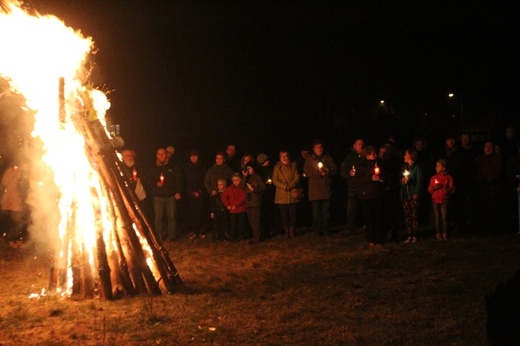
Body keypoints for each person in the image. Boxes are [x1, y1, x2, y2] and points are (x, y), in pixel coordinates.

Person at [146, 147, 183, 241]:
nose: (162, 156)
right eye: (159, 154)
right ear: (156, 156)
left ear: (166, 155)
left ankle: (172, 235)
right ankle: (158, 236)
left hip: (170, 195)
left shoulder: (173, 166)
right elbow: (148, 181)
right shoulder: (153, 167)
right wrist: (156, 184)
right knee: (158, 218)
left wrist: (177, 191)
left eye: (163, 154)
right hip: (158, 196)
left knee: (171, 217)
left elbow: (178, 180)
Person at [304, 139, 337, 236]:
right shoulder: (309, 159)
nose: (320, 149)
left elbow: (334, 169)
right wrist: (319, 173)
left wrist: (326, 171)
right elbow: (307, 171)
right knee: (316, 213)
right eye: (317, 147)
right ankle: (317, 231)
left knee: (326, 212)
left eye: (321, 147)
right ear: (313, 149)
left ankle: (326, 230)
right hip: (315, 190)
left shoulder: (327, 158)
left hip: (326, 189)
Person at [357, 146, 385, 247]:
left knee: (379, 217)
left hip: (378, 194)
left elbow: (384, 177)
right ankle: (370, 239)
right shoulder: (361, 165)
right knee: (369, 218)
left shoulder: (380, 163)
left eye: (375, 153)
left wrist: (380, 178)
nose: (375, 155)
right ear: (367, 155)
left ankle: (379, 239)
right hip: (366, 196)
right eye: (373, 154)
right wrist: (370, 178)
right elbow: (359, 180)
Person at [474, 140, 504, 232]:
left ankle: (495, 227)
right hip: (482, 187)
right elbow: (475, 172)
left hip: (494, 187)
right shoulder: (479, 159)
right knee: (483, 208)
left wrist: (491, 179)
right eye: (486, 146)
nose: (488, 148)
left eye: (490, 146)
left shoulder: (498, 159)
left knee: (494, 207)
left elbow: (499, 171)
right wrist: (482, 180)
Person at [272, 150, 301, 239]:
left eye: (286, 155)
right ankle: (286, 232)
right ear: (280, 158)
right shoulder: (277, 168)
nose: (285, 157)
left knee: (293, 214)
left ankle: (292, 231)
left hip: (292, 194)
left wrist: (291, 185)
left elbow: (297, 177)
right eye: (283, 156)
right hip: (282, 195)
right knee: (284, 214)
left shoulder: (293, 166)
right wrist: (284, 186)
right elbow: (275, 180)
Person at [340, 138, 365, 234]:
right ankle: (350, 228)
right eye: (359, 144)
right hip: (353, 186)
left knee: (365, 208)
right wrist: (348, 173)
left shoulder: (365, 157)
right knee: (351, 209)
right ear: (354, 146)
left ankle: (366, 225)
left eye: (362, 144)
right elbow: (342, 171)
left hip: (363, 186)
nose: (361, 146)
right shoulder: (349, 158)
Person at [1, 162, 29, 247]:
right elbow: (4, 182)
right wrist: (15, 172)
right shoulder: (11, 170)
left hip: (17, 200)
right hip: (8, 200)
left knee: (17, 221)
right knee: (9, 220)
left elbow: (25, 186)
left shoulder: (25, 173)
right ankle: (10, 240)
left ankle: (16, 239)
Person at [427, 159, 456, 241]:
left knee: (444, 217)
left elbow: (452, 189)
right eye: (436, 165)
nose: (436, 167)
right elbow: (429, 190)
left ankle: (445, 233)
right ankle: (438, 233)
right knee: (437, 217)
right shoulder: (433, 178)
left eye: (439, 166)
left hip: (444, 199)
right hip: (435, 199)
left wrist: (443, 188)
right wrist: (434, 187)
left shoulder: (448, 178)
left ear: (444, 168)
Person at [400, 148, 424, 243]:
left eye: (406, 154)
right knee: (407, 215)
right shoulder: (404, 167)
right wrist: (402, 181)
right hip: (405, 194)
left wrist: (416, 192)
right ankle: (409, 234)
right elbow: (400, 179)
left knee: (414, 215)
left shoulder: (417, 168)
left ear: (411, 156)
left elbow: (419, 181)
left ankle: (415, 234)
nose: (404, 156)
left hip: (412, 194)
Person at [183, 149, 207, 239]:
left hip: (200, 193)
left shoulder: (202, 167)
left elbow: (204, 180)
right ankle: (195, 231)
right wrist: (193, 191)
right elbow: (186, 181)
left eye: (195, 156)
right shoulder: (186, 167)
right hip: (190, 193)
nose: (193, 158)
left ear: (198, 157)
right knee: (193, 212)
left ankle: (200, 231)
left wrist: (199, 191)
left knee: (200, 211)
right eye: (192, 156)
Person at [240, 161, 266, 243]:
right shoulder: (247, 177)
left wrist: (254, 190)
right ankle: (255, 237)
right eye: (247, 168)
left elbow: (263, 188)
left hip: (255, 202)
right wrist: (244, 177)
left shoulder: (257, 177)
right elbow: (242, 187)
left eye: (249, 168)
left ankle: (257, 238)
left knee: (256, 221)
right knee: (251, 221)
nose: (248, 170)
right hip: (248, 202)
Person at [222, 173, 247, 241]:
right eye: (234, 180)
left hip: (241, 209)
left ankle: (240, 236)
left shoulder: (242, 188)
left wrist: (235, 205)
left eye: (237, 180)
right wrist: (228, 205)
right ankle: (232, 236)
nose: (236, 182)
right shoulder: (229, 189)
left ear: (240, 180)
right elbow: (224, 197)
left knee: (240, 224)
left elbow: (243, 198)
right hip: (232, 210)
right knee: (232, 224)